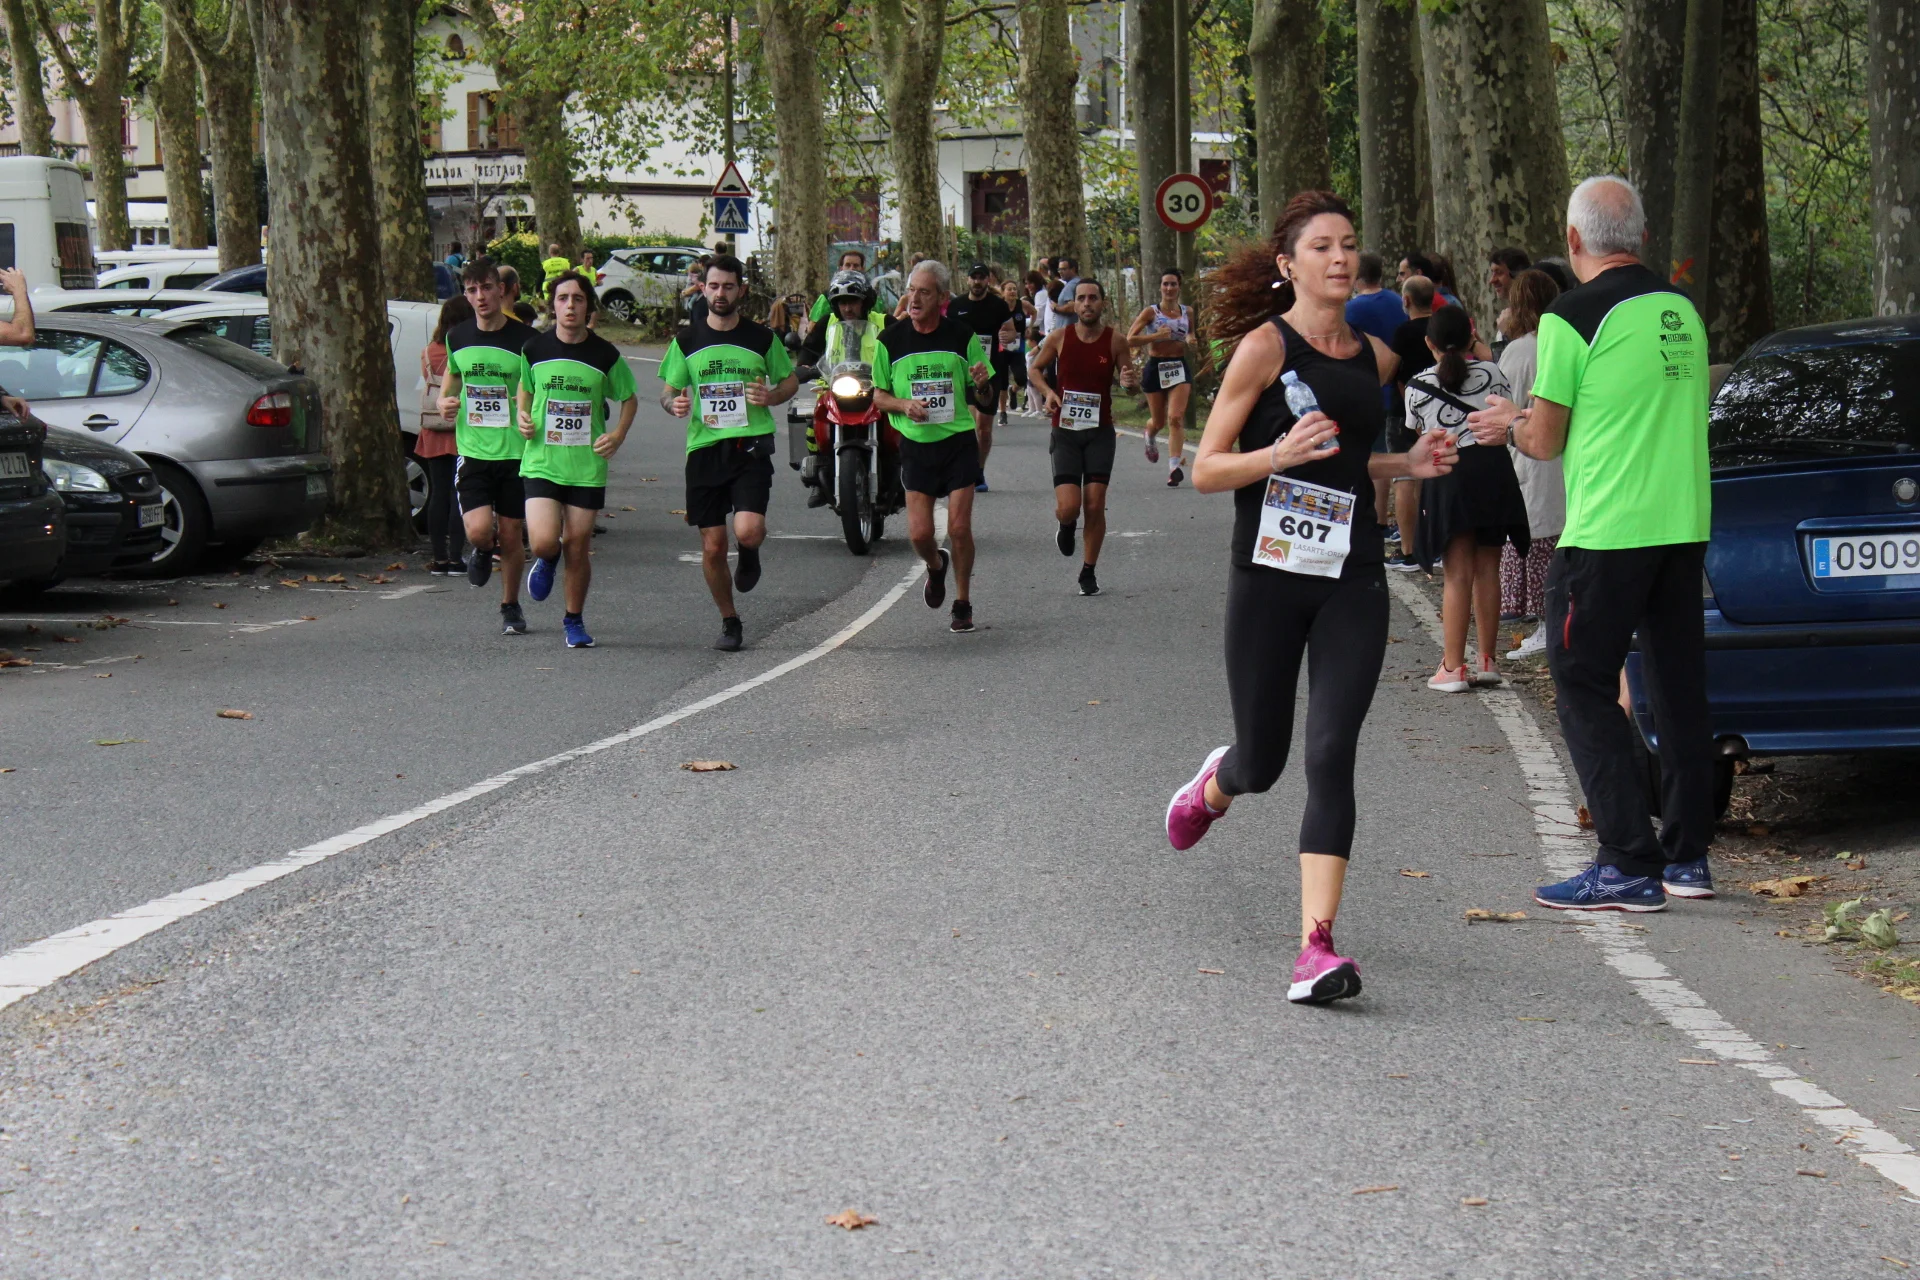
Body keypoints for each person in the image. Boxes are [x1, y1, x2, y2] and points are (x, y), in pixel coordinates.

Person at [1164, 190, 1456, 1006]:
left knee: (1331, 752)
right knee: (1263, 761)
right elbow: (1206, 469)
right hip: (1268, 578)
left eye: (1349, 244)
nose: (1340, 257)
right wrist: (1276, 456)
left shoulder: (1375, 357)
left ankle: (1316, 948)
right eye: (1322, 246)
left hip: (1351, 578)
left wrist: (1408, 466)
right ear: (1288, 265)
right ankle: (1216, 784)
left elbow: (1349, 462)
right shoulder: (1264, 348)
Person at [1465, 175, 1715, 911]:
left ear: (1574, 241)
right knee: (1678, 687)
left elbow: (1545, 439)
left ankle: (1627, 859)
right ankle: (1688, 858)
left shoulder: (1570, 316)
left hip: (1608, 531)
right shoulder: (1683, 309)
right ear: (1641, 238)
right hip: (1683, 522)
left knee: (1580, 679)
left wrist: (1508, 422)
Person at [661, 254, 798, 652]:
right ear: (702, 288)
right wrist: (674, 404)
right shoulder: (686, 340)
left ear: (742, 290)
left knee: (748, 530)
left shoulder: (761, 338)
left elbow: (789, 381)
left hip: (748, 446)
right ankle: (729, 619)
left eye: (728, 286)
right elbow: (668, 392)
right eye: (714, 286)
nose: (720, 293)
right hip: (704, 450)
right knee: (713, 546)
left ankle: (750, 551)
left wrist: (771, 396)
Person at [1406, 306, 1530, 691]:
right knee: (1488, 568)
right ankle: (1488, 661)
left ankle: (1452, 668)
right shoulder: (1493, 372)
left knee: (1457, 573)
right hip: (1493, 472)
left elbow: (1419, 437)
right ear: (1471, 338)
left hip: (1449, 474)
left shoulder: (1417, 385)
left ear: (1429, 343)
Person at [514, 271, 638, 649]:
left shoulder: (605, 355)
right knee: (542, 542)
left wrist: (617, 435)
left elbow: (629, 398)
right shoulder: (534, 348)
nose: (570, 305)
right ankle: (547, 559)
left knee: (578, 544)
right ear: (552, 306)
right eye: (563, 298)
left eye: (578, 299)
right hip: (542, 460)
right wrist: (522, 415)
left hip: (586, 465)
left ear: (588, 308)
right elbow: (525, 388)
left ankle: (574, 620)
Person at [872, 260, 993, 633]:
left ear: (942, 298)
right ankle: (936, 566)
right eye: (911, 290)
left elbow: (984, 395)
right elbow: (878, 396)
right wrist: (903, 404)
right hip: (916, 444)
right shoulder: (890, 340)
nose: (914, 299)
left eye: (924, 292)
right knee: (920, 535)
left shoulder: (961, 336)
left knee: (959, 528)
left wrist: (982, 384)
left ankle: (962, 603)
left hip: (957, 441)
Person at [438, 257, 538, 635]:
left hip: (515, 452)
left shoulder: (526, 340)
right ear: (466, 295)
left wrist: (527, 409)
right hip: (474, 450)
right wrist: (445, 403)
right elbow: (451, 383)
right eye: (472, 290)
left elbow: (539, 387)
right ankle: (481, 548)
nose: (480, 296)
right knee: (480, 530)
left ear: (501, 290)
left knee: (511, 535)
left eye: (486, 288)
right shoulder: (458, 337)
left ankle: (510, 605)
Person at [1029, 274, 1139, 593]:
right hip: (1065, 432)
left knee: (1094, 503)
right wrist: (1049, 393)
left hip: (1100, 432)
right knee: (1069, 507)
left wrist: (1130, 385)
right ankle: (1066, 524)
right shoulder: (1059, 338)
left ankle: (1088, 571)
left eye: (1093, 298)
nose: (1087, 303)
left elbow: (1129, 384)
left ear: (1103, 303)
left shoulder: (1116, 341)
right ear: (1074, 305)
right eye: (1081, 298)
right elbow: (1034, 369)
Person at [1496, 269, 1565, 659]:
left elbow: (1501, 399)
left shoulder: (1519, 351)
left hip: (1527, 449)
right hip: (1562, 458)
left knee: (1535, 540)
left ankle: (1543, 625)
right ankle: (1550, 623)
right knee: (1552, 542)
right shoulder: (1564, 343)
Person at [794, 268, 883, 509]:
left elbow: (901, 346)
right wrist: (803, 367)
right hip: (836, 387)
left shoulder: (883, 322)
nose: (848, 308)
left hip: (875, 388)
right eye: (842, 302)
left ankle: (905, 467)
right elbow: (809, 350)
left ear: (865, 301)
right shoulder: (828, 323)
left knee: (898, 418)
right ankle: (818, 470)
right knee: (815, 418)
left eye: (853, 301)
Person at [1344, 252, 1408, 522]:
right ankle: (1381, 519)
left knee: (1368, 455)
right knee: (1386, 453)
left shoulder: (1350, 310)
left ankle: (1368, 515)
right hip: (1399, 388)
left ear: (1356, 276)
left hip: (1364, 388)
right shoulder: (1398, 301)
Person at [1385, 276, 1439, 568]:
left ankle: (1408, 550)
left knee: (1405, 476)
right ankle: (1434, 545)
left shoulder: (1404, 332)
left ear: (1406, 300)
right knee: (1432, 475)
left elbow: (1389, 371)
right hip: (1440, 411)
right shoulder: (1440, 326)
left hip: (1405, 409)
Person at [418, 293, 474, 575]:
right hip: (462, 425)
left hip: (434, 426)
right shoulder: (468, 350)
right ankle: (455, 558)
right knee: (458, 493)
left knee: (438, 493)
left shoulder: (429, 351)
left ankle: (438, 558)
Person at [946, 263, 1015, 490]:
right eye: (973, 277)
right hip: (963, 373)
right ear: (967, 280)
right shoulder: (956, 306)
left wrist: (1007, 336)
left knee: (984, 429)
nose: (977, 282)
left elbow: (1011, 330)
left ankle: (979, 471)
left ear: (988, 280)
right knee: (969, 424)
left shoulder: (998, 305)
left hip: (989, 372)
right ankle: (965, 469)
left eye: (981, 277)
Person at [1127, 267, 1197, 487]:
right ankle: (1149, 434)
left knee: (1175, 417)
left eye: (1173, 284)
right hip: (1156, 367)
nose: (1169, 288)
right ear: (1160, 287)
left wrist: (1191, 340)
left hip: (1178, 366)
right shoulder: (1151, 312)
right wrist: (1156, 336)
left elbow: (1191, 332)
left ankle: (1174, 467)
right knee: (1158, 421)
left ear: (1179, 287)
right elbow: (1130, 339)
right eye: (1165, 284)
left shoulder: (1188, 312)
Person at [993, 277, 1031, 426]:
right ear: (1003, 292)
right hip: (1002, 348)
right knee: (1002, 382)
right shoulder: (998, 306)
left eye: (1014, 289)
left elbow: (1035, 312)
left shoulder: (1022, 304)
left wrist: (1029, 327)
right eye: (1009, 289)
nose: (1012, 291)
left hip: (1017, 347)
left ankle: (1013, 390)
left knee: (1022, 378)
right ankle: (1003, 412)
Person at [808, 249, 872, 327]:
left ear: (862, 269)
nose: (851, 268)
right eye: (848, 265)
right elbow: (813, 326)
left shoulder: (870, 295)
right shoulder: (826, 297)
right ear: (841, 268)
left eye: (856, 265)